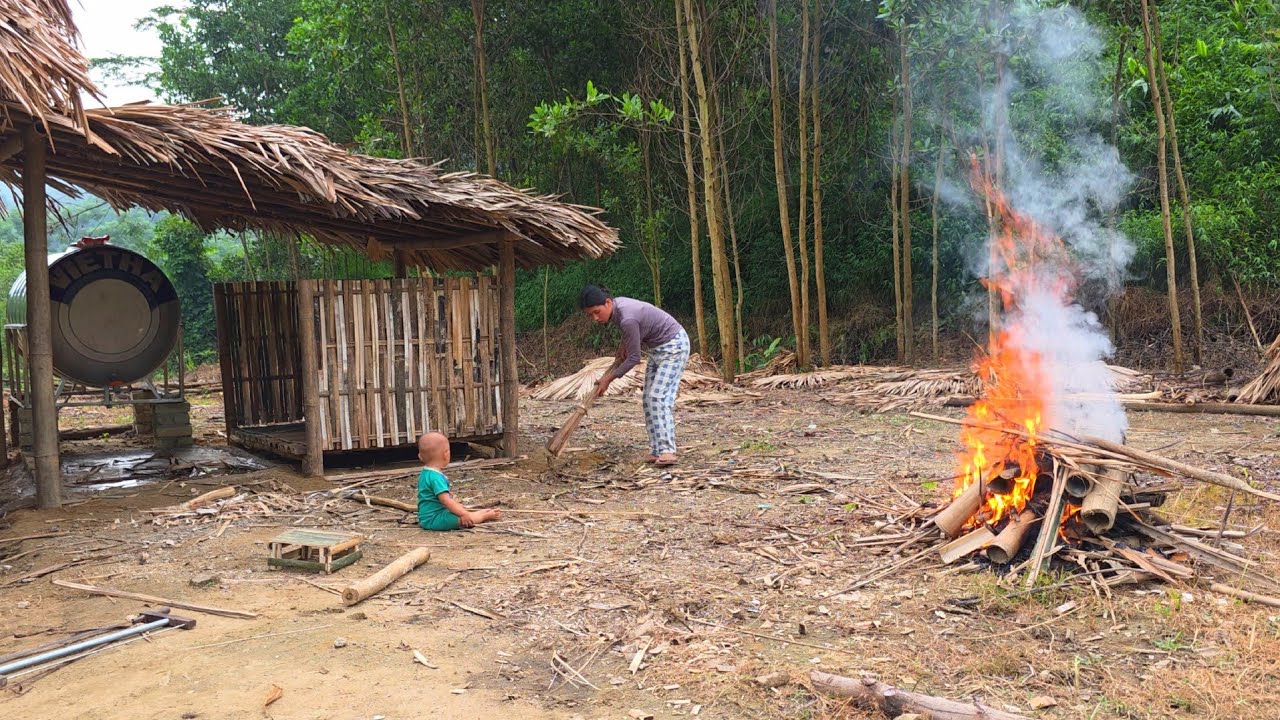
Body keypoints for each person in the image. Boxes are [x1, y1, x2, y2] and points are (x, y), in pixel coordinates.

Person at [579, 285, 690, 466]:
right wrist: (624, 344)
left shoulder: (627, 318)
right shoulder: (618, 308)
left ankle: (668, 450)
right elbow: (633, 334)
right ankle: (657, 450)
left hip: (674, 348)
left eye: (597, 312)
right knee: (647, 399)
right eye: (590, 315)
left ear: (608, 303)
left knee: (658, 397)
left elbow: (634, 358)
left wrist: (608, 378)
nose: (595, 318)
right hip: (657, 351)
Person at [415, 432, 502, 530]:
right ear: (446, 454)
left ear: (420, 456)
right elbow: (445, 501)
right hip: (434, 519)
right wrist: (464, 514)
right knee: (464, 519)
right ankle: (483, 516)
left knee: (458, 509)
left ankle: (478, 513)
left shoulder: (426, 473)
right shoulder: (436, 478)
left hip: (429, 516)